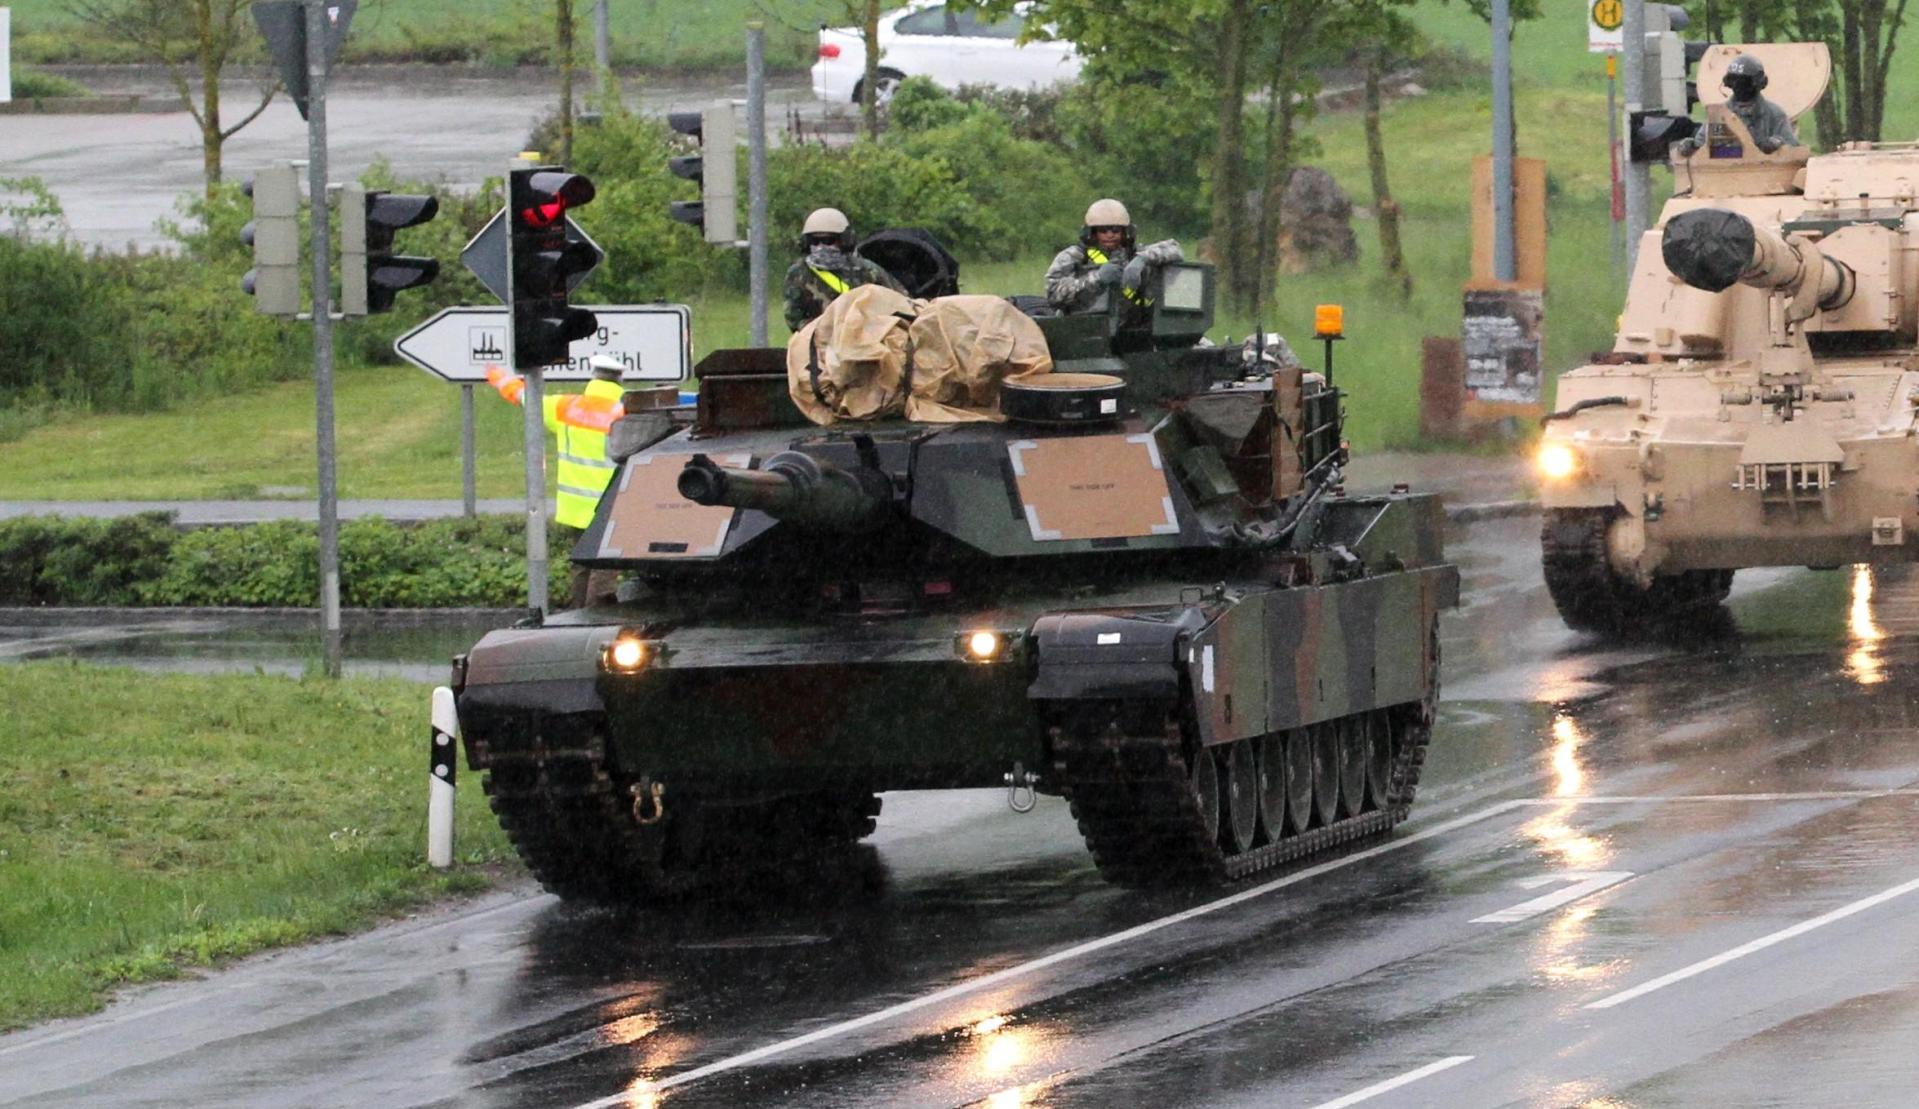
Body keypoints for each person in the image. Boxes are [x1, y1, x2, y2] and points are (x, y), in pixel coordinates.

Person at [484, 354, 628, 608]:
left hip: (576, 507)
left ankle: (578, 615)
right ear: (619, 380)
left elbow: (525, 397)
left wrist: (496, 375)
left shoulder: (566, 406)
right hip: (612, 505)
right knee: (605, 566)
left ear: (593, 377)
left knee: (582, 565)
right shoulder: (627, 412)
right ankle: (597, 619)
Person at [1045, 198, 1184, 315]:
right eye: (1103, 230)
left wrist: (1141, 260)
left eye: (1116, 230)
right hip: (1086, 324)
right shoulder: (1074, 256)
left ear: (1125, 232)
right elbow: (1053, 293)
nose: (1110, 235)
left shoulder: (1132, 252)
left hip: (1132, 324)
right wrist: (1096, 279)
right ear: (1092, 233)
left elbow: (1174, 249)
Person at [782, 207, 907, 331]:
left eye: (828, 240)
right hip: (819, 338)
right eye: (815, 241)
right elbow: (793, 317)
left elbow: (900, 299)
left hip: (863, 337)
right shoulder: (798, 273)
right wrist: (820, 330)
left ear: (844, 241)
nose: (821, 246)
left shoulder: (866, 270)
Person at [1681, 53, 1799, 156]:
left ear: (1757, 83)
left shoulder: (1774, 113)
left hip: (1764, 170)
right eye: (1734, 80)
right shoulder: (1719, 114)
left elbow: (1792, 146)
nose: (1738, 85)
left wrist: (1776, 142)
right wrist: (1691, 145)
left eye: (1744, 81)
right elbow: (1701, 144)